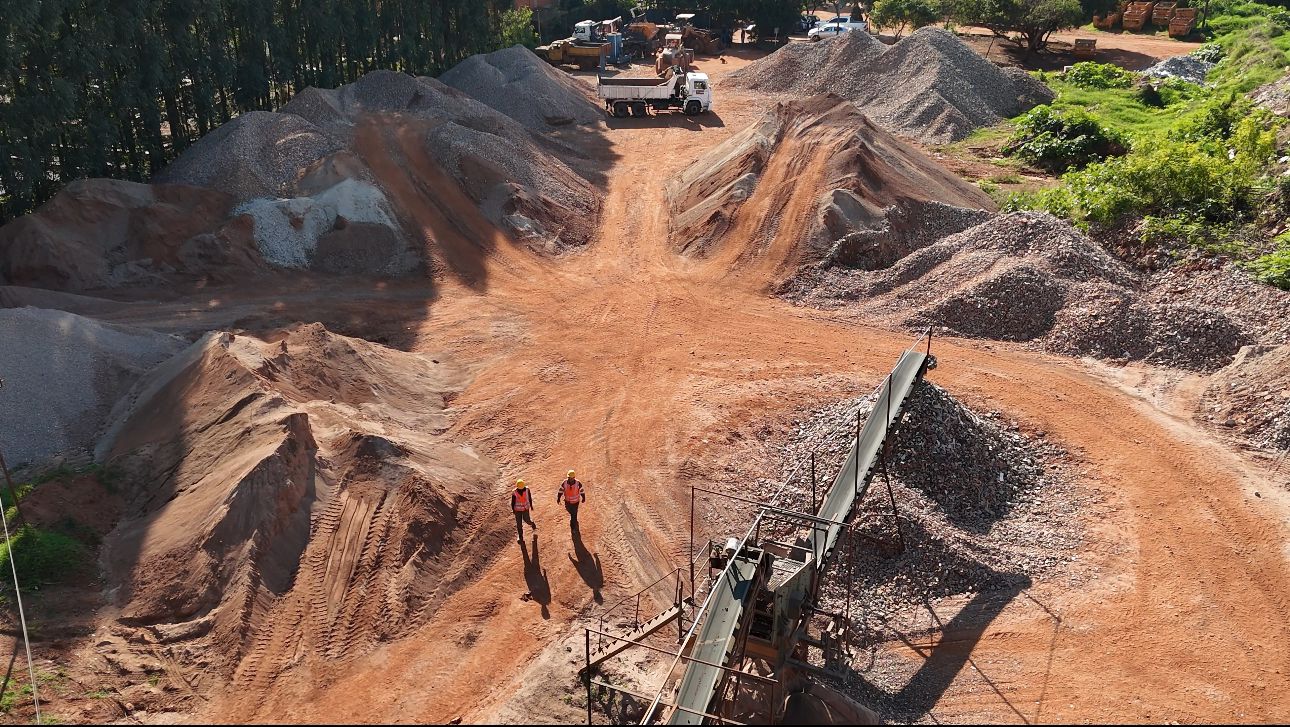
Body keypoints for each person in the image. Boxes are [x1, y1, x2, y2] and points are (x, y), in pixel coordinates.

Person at [512, 479, 537, 543]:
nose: (521, 489)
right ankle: (520, 537)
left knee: (527, 520)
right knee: (519, 524)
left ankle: (532, 524)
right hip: (517, 510)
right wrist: (513, 510)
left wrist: (531, 506)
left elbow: (529, 498)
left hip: (525, 508)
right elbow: (513, 502)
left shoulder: (527, 490)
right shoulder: (514, 492)